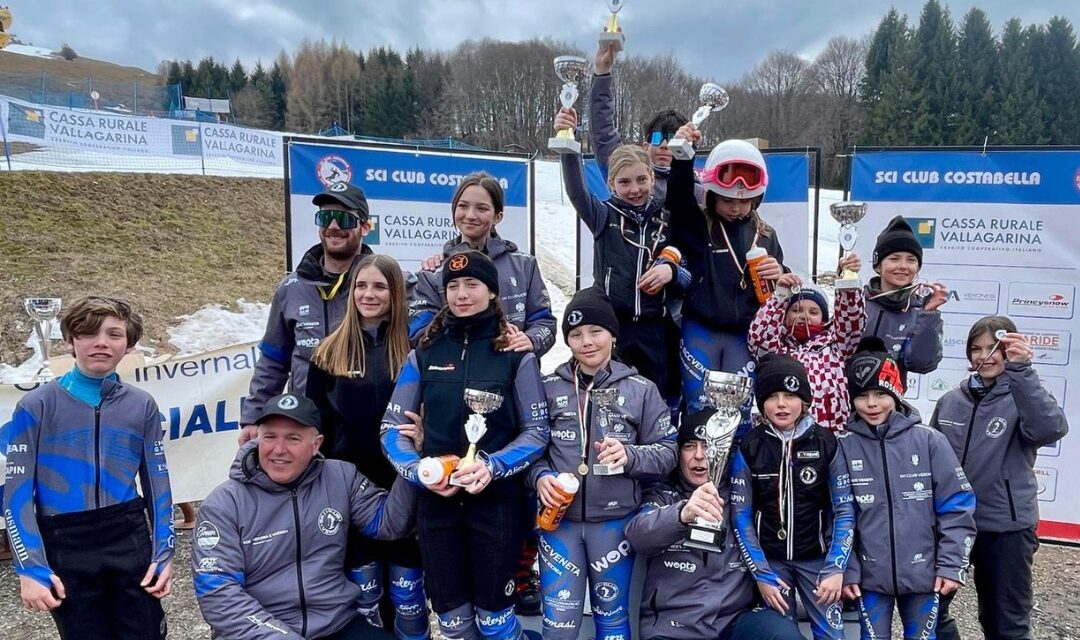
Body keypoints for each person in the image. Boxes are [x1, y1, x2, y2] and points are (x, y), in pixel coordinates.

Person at [382, 250, 550, 640]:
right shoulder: (424, 352)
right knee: (454, 623)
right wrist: (419, 471)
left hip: (497, 506)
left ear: (492, 292)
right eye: (453, 286)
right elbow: (391, 426)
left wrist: (492, 466)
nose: (461, 294)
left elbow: (537, 431)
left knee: (495, 622)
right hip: (437, 506)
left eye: (472, 284)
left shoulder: (514, 354)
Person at [3, 295, 174, 638]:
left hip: (127, 534)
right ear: (69, 341)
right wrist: (29, 567)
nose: (101, 342)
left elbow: (157, 482)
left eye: (114, 334)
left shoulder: (141, 405)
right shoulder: (36, 405)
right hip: (66, 540)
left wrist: (164, 553)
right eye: (88, 333)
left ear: (128, 345)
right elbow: (15, 493)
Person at [193, 392, 417, 640]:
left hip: (336, 624)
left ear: (316, 444)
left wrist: (413, 461)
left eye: (293, 438)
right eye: (269, 437)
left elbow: (390, 524)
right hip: (258, 632)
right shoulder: (225, 503)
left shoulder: (340, 477)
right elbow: (217, 591)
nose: (279, 449)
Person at [527, 287, 677, 640]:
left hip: (615, 524)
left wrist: (630, 456)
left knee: (612, 622)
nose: (586, 342)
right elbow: (529, 448)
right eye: (576, 334)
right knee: (559, 627)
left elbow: (669, 452)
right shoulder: (547, 386)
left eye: (596, 331)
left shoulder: (641, 389)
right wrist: (540, 477)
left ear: (612, 334)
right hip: (558, 525)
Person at [307, 254, 429, 639]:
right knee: (365, 595)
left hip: (404, 483)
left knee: (407, 593)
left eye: (379, 286)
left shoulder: (415, 349)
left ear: (395, 292)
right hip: (349, 488)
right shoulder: (328, 352)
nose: (368, 294)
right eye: (361, 285)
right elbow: (316, 423)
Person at [931, 316, 1069, 640]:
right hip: (952, 525)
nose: (985, 356)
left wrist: (1022, 371)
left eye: (994, 347)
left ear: (1010, 350)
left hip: (1005, 529)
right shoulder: (950, 401)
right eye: (976, 348)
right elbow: (931, 460)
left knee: (1005, 624)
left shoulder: (1023, 397)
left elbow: (1051, 428)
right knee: (928, 610)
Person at [837, 338, 976, 640]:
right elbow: (836, 518)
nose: (871, 404)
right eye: (861, 396)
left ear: (896, 392)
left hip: (925, 577)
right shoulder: (843, 447)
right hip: (869, 581)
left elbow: (957, 506)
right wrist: (846, 568)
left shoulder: (929, 441)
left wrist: (952, 565)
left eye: (880, 393)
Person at [623, 409, 803, 640]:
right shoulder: (664, 494)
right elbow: (638, 535)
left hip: (732, 620)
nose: (699, 455)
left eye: (709, 446)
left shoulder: (741, 497)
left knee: (782, 634)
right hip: (674, 627)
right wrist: (682, 514)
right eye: (689, 446)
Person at [554, 107, 690, 406]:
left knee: (659, 402)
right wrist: (567, 142)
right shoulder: (603, 215)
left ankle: (656, 452)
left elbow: (690, 270)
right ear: (611, 184)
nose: (635, 189)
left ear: (653, 178)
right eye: (625, 182)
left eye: (642, 180)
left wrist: (673, 273)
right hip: (613, 328)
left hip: (657, 328)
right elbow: (576, 191)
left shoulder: (668, 218)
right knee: (610, 403)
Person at [666, 126, 785, 431]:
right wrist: (682, 155)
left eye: (744, 202)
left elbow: (776, 298)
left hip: (743, 336)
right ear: (712, 196)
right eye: (728, 201)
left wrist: (781, 276)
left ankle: (736, 477)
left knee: (740, 414)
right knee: (698, 408)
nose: (736, 208)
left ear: (756, 199)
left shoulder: (766, 235)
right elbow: (678, 199)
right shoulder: (698, 226)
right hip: (700, 330)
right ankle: (693, 474)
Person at [730, 354, 855, 639]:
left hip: (818, 561)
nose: (781, 404)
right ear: (761, 403)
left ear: (805, 401)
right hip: (771, 563)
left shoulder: (826, 442)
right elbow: (741, 515)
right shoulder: (750, 445)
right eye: (772, 396)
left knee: (832, 634)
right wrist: (760, 573)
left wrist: (836, 567)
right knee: (778, 634)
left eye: (790, 395)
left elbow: (844, 509)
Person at [239, 181, 374, 443]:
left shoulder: (383, 285)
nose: (333, 226)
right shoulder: (291, 287)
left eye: (344, 219)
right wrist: (254, 415)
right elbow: (274, 361)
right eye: (325, 217)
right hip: (303, 424)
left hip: (365, 425)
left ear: (365, 227)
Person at [409, 173, 556, 357]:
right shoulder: (433, 272)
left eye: (482, 208)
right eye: (463, 206)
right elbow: (417, 333)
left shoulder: (525, 266)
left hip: (512, 378)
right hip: (452, 377)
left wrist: (531, 339)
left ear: (497, 216)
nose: (470, 215)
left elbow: (545, 323)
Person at [748, 271, 865, 432]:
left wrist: (848, 285)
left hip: (831, 436)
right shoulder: (777, 349)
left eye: (814, 312)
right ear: (784, 314)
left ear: (824, 319)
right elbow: (758, 336)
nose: (804, 316)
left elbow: (850, 321)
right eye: (796, 310)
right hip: (784, 438)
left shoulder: (837, 346)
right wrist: (781, 295)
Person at [587, 34, 696, 204]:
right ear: (645, 146)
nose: (664, 145)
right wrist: (602, 73)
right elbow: (602, 132)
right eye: (658, 138)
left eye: (673, 139)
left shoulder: (695, 188)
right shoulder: (625, 167)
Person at [864, 216, 947, 378]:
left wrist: (929, 314)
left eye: (911, 260)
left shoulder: (921, 311)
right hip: (846, 397)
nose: (903, 266)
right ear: (878, 266)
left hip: (888, 400)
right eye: (894, 259)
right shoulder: (857, 303)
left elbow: (923, 364)